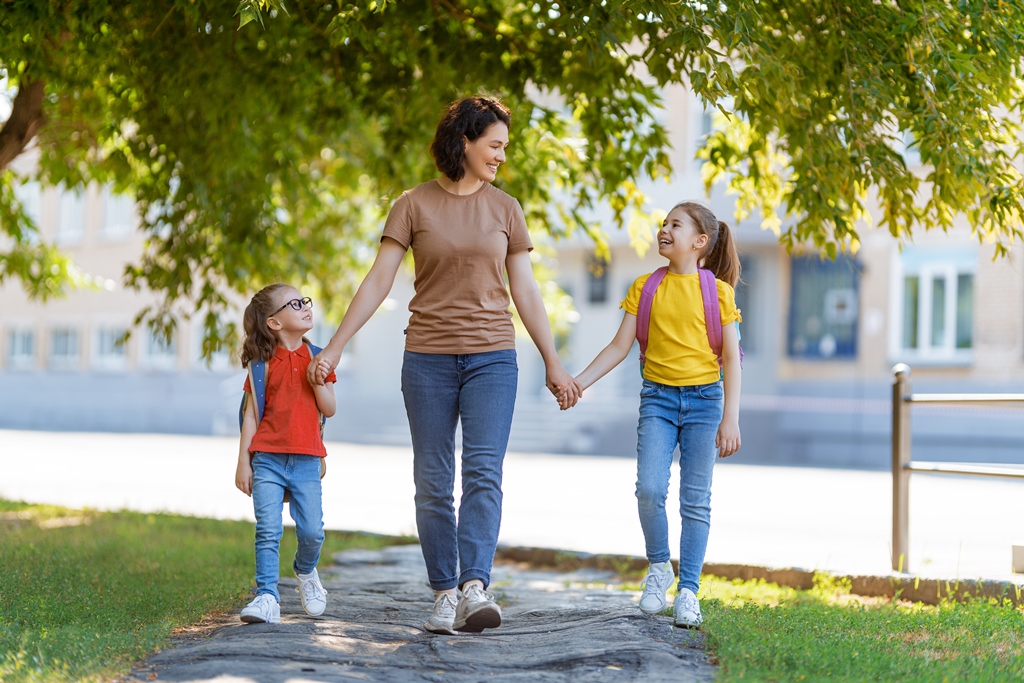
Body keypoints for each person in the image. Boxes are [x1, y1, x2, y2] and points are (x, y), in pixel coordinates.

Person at [309, 96, 580, 635]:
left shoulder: (506, 208)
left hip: (493, 358)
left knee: (483, 472)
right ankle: (442, 592)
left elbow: (524, 289)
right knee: (433, 480)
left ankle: (474, 587)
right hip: (427, 359)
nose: (502, 155)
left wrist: (552, 360)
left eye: (505, 146)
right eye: (495, 144)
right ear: (465, 142)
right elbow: (379, 279)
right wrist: (336, 344)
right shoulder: (412, 205)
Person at [572, 201, 742, 627]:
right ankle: (659, 567)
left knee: (695, 501)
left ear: (699, 241)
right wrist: (579, 383)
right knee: (649, 490)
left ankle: (688, 591)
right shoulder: (646, 286)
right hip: (658, 400)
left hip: (705, 402)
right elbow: (618, 347)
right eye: (663, 223)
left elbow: (732, 359)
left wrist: (731, 418)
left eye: (675, 225)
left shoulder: (718, 292)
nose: (664, 229)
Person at [235, 284, 337, 624]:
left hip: (307, 459)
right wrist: (242, 463)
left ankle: (306, 572)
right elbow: (251, 415)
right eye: (294, 304)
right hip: (267, 458)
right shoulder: (261, 365)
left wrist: (318, 379)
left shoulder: (319, 357)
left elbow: (331, 409)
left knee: (312, 533)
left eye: (304, 300)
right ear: (274, 323)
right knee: (267, 529)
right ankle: (267, 596)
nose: (305, 306)